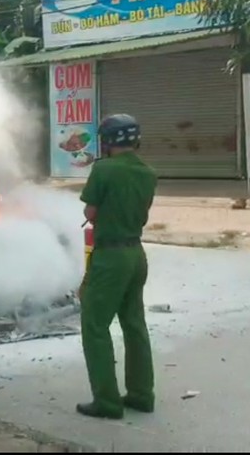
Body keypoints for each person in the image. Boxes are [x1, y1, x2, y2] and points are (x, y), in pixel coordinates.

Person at [77, 113, 157, 420]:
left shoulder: (104, 169)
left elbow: (91, 211)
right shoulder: (148, 172)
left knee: (95, 325)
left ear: (107, 141)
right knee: (134, 324)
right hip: (136, 253)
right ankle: (141, 394)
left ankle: (107, 402)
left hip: (110, 256)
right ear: (135, 139)